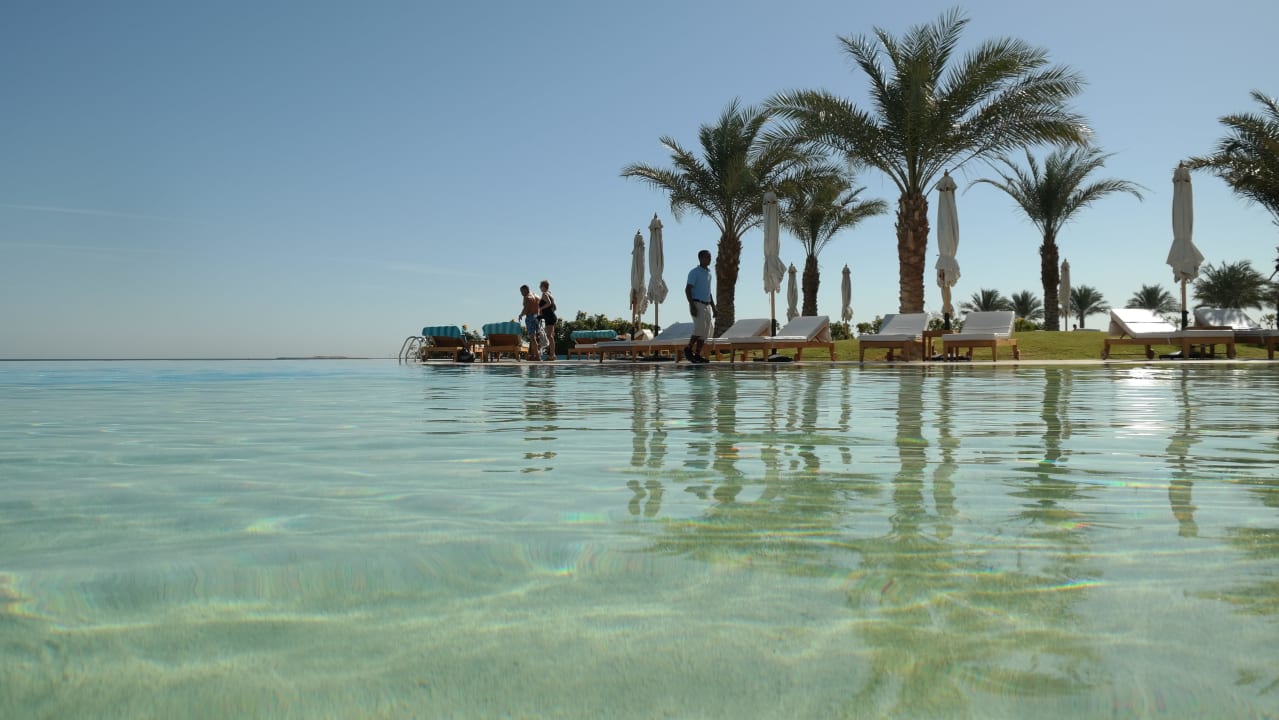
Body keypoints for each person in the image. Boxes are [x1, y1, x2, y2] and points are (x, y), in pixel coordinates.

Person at [684, 249, 715, 363]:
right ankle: (688, 349)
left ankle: (697, 354)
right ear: (701, 258)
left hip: (707, 305)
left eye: (710, 257)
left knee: (705, 332)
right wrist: (692, 305)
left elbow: (708, 292)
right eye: (707, 257)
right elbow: (687, 289)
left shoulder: (709, 274)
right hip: (697, 303)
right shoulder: (694, 272)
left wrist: (714, 308)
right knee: (699, 329)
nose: (710, 259)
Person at [518, 284, 541, 361]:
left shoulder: (527, 297)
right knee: (534, 338)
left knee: (532, 338)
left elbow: (526, 309)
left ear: (525, 290)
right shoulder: (536, 296)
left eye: (521, 291)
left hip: (530, 317)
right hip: (537, 317)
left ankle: (537, 356)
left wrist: (521, 315)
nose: (521, 294)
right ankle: (534, 355)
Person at [538, 279, 557, 361]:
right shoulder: (550, 294)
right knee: (551, 336)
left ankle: (552, 355)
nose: (540, 288)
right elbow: (554, 307)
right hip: (551, 316)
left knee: (549, 336)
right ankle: (553, 355)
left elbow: (549, 303)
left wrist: (540, 308)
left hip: (550, 317)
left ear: (543, 287)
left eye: (540, 286)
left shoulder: (544, 294)